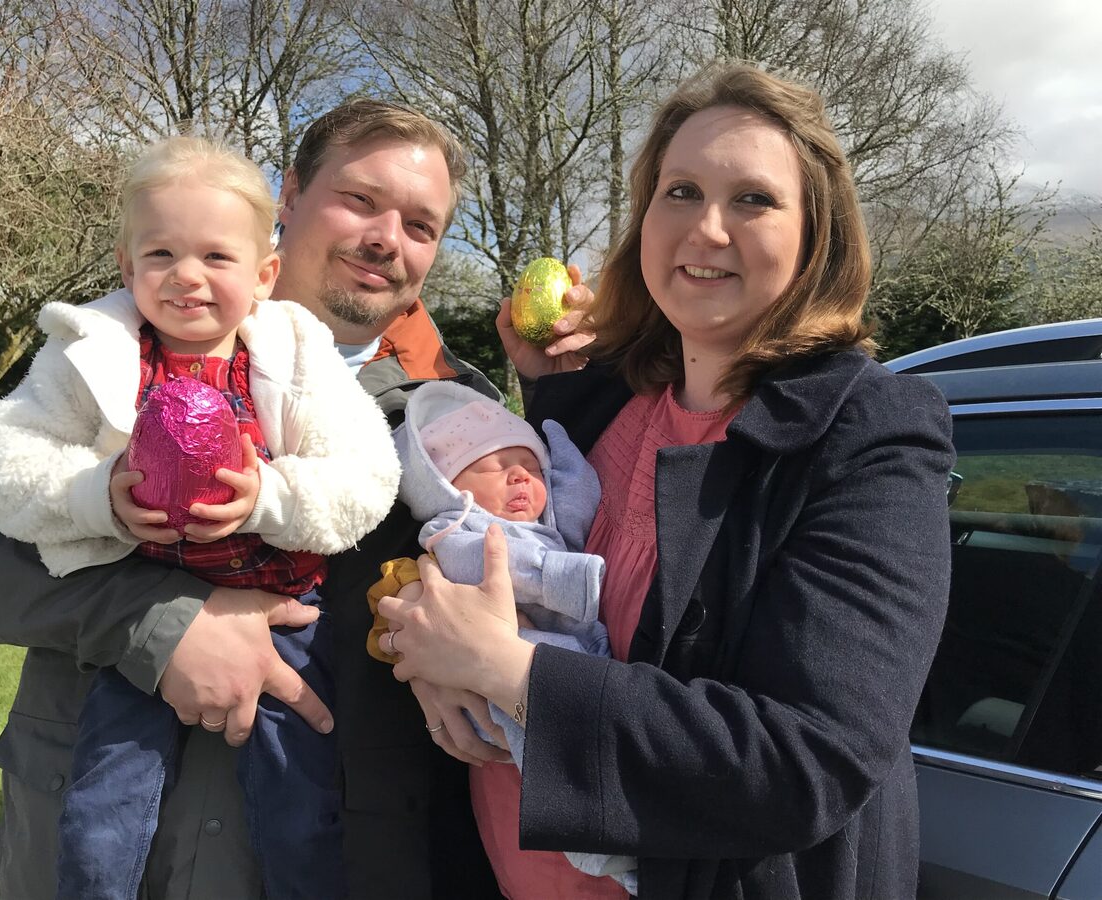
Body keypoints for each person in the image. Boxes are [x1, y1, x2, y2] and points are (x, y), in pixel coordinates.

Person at [0, 98, 592, 899]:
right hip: (103, 847)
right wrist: (160, 624)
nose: (387, 239)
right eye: (362, 200)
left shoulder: (455, 415)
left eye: (421, 225)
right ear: (292, 195)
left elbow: (554, 580)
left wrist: (572, 395)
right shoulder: (113, 352)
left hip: (333, 860)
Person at [375, 64, 956, 899]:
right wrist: (436, 662)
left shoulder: (868, 433)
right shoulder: (604, 397)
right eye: (679, 191)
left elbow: (805, 763)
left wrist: (505, 671)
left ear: (816, 234)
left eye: (752, 199)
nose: (707, 229)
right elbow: (504, 555)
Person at [0, 135, 401, 899]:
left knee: (301, 802)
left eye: (217, 257)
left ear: (265, 274)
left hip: (282, 618)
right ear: (127, 267)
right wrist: (94, 496)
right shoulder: (90, 357)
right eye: (160, 254)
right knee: (105, 798)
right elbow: (4, 461)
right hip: (139, 620)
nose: (187, 277)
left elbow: (368, 478)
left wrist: (269, 497)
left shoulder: (301, 361)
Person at [365, 380, 635, 890]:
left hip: (574, 654)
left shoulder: (545, 521)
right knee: (543, 728)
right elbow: (519, 569)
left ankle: (611, 820)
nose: (520, 476)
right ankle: (589, 838)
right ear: (447, 488)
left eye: (532, 467)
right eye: (493, 466)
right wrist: (572, 580)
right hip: (500, 679)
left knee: (579, 711)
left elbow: (580, 498)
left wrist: (563, 458)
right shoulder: (457, 533)